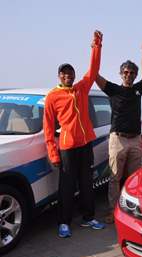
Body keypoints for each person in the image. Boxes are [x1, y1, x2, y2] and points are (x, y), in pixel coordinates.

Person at [43, 30, 105, 238]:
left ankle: (88, 217)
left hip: (85, 144)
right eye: (64, 73)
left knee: (87, 183)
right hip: (67, 147)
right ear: (59, 76)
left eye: (70, 73)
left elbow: (94, 70)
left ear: (74, 75)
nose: (68, 76)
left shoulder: (81, 88)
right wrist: (53, 153)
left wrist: (96, 45)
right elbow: (49, 129)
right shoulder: (52, 97)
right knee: (67, 187)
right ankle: (64, 222)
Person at [95, 41, 142, 223]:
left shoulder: (138, 89)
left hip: (135, 139)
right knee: (115, 178)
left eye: (132, 73)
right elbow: (95, 76)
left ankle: (132, 211)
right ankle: (113, 211)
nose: (128, 75)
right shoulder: (113, 89)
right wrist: (97, 48)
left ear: (135, 75)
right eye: (125, 72)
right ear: (121, 74)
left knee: (134, 178)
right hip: (117, 140)